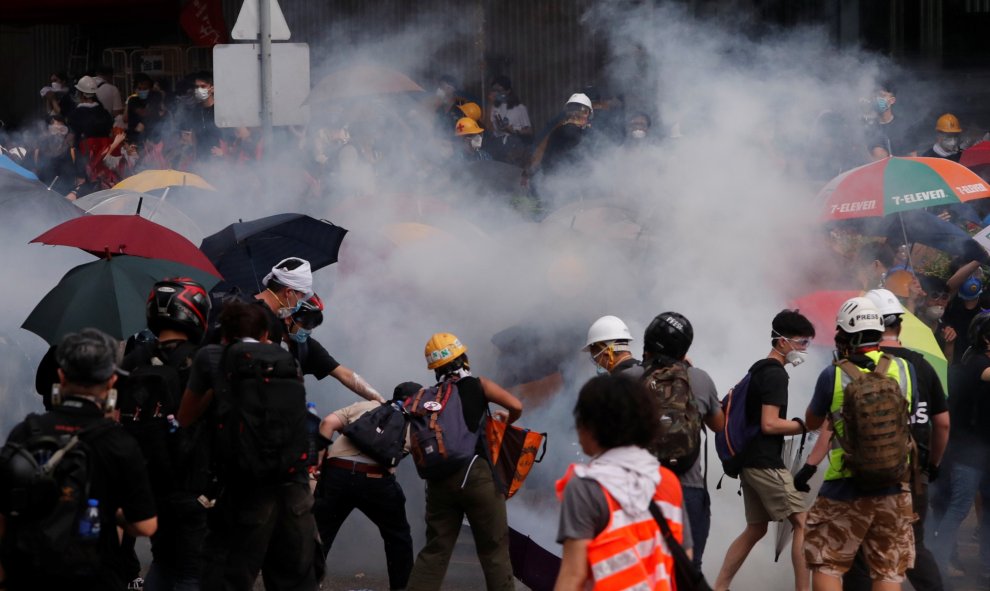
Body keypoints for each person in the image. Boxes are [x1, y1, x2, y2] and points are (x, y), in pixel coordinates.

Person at [0, 329, 158, 590]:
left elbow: (4, 511)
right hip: (95, 577)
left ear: (60, 376)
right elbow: (145, 524)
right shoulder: (119, 443)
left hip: (30, 575)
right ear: (111, 381)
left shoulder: (27, 431)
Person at [181, 301, 319, 590]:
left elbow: (185, 417)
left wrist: (216, 389)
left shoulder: (211, 356)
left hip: (244, 487)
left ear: (224, 334)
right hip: (293, 485)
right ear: (266, 333)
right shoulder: (286, 359)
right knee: (293, 579)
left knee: (228, 576)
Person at [831, 289, 948, 591]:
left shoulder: (852, 366)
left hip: (860, 474)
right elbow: (943, 423)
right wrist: (932, 465)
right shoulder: (920, 366)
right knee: (912, 547)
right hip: (911, 473)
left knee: (856, 553)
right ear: (900, 323)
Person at [801, 297, 917, 591]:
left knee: (828, 563)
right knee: (887, 569)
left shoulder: (833, 374)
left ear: (847, 336)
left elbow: (813, 422)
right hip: (894, 484)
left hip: (844, 485)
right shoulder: (905, 370)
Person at [405, 333, 523, 591]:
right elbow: (516, 406)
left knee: (435, 551)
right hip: (477, 476)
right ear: (463, 358)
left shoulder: (429, 397)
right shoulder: (479, 385)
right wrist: (506, 420)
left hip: (438, 482)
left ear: (435, 369)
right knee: (494, 551)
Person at [554, 374, 687, 591]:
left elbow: (573, 575)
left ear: (591, 426)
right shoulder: (667, 481)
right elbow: (682, 558)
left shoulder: (585, 487)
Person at [119, 278, 212, 591]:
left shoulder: (134, 359)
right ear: (195, 312)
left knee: (164, 560)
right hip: (191, 484)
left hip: (147, 483)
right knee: (191, 570)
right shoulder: (201, 360)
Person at [714, 309, 815, 591]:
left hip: (748, 460)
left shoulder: (758, 369)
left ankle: (720, 587)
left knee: (756, 528)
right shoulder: (775, 376)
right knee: (802, 523)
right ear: (782, 342)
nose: (804, 349)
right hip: (764, 463)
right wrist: (803, 426)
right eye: (801, 342)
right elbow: (769, 424)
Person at [312, 382, 419, 591]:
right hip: (376, 480)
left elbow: (327, 423)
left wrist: (319, 461)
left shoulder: (366, 406)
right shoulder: (415, 423)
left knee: (318, 535)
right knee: (398, 538)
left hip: (337, 473)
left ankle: (306, 586)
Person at [641, 311, 724, 571]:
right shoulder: (699, 378)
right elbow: (719, 425)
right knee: (687, 570)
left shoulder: (632, 379)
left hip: (643, 488)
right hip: (687, 490)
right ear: (684, 348)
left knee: (643, 569)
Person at [249, 257, 386, 402]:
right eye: (306, 326)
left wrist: (381, 401)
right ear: (289, 317)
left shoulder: (304, 347)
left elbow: (345, 375)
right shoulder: (256, 322)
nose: (307, 332)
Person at [929, 312, 990, 583]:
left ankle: (987, 565)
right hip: (968, 451)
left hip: (982, 449)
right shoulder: (977, 362)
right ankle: (938, 562)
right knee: (959, 507)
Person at [942, 259, 984, 365]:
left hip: (972, 366)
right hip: (950, 361)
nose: (973, 277)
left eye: (976, 273)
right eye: (969, 273)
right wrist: (979, 260)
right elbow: (950, 285)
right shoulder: (950, 302)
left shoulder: (985, 306)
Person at [865, 80, 918, 159]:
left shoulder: (904, 127)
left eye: (882, 95)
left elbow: (913, 157)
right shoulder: (868, 128)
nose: (877, 99)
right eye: (875, 96)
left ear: (892, 100)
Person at [485, 75, 531, 165]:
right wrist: (490, 103)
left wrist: (513, 130)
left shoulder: (519, 108)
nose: (496, 93)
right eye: (494, 90)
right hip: (497, 144)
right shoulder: (493, 107)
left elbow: (529, 131)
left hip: (513, 145)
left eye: (499, 90)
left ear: (508, 91)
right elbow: (487, 126)